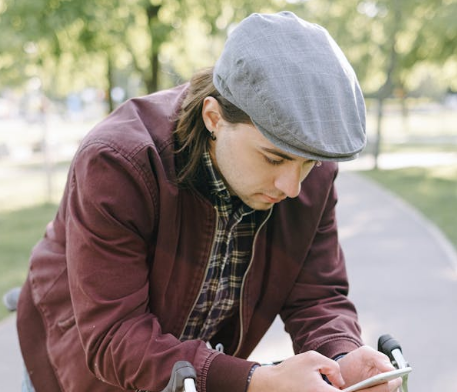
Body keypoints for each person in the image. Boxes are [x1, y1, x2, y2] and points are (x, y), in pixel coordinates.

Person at [17, 11, 402, 392]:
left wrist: (341, 356)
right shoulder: (118, 163)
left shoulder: (308, 174)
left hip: (197, 378)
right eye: (273, 158)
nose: (292, 187)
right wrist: (253, 381)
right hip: (80, 372)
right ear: (214, 117)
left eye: (309, 163)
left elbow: (317, 295)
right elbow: (114, 334)